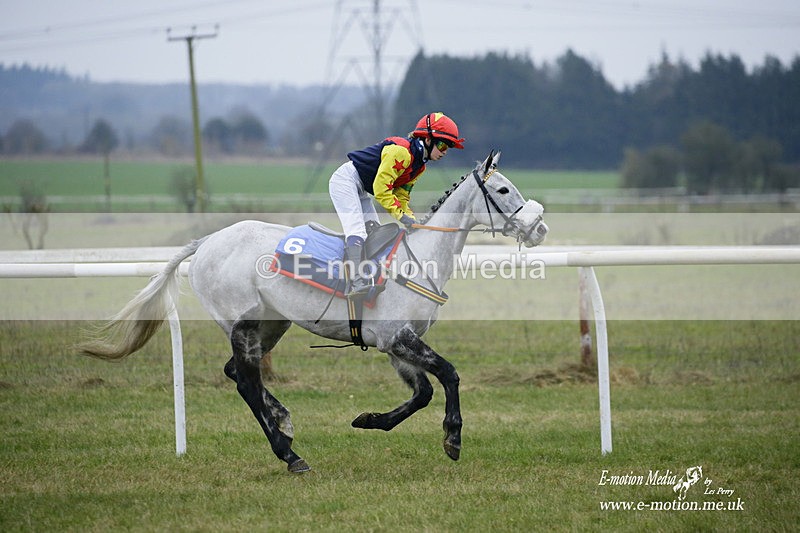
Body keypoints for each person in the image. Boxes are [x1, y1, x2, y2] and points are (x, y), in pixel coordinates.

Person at [329, 111, 465, 298]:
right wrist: (400, 216)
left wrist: (411, 218)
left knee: (374, 231)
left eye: (448, 148)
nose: (444, 152)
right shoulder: (401, 151)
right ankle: (355, 281)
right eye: (442, 145)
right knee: (358, 231)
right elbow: (381, 188)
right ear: (427, 139)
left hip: (361, 188)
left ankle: (368, 275)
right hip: (345, 181)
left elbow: (402, 195)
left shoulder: (420, 166)